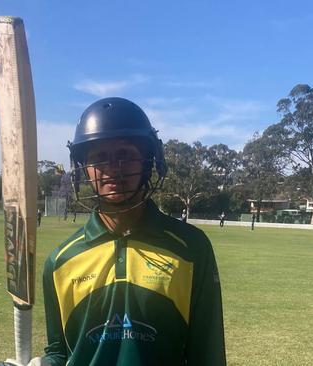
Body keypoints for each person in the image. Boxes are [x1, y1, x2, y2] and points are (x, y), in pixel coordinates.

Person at [31, 97, 226, 365]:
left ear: (148, 161)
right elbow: (60, 352)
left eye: (125, 154)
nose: (113, 168)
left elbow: (208, 353)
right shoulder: (60, 261)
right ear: (84, 168)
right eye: (99, 157)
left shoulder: (191, 248)